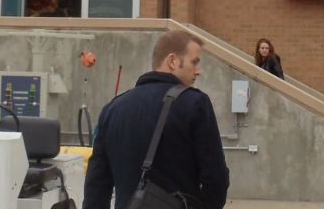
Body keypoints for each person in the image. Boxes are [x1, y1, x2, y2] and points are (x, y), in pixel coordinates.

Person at [84, 30, 230, 209]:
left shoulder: (112, 109)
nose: (198, 71)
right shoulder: (195, 104)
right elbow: (216, 178)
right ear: (172, 61)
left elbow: (97, 185)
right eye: (195, 62)